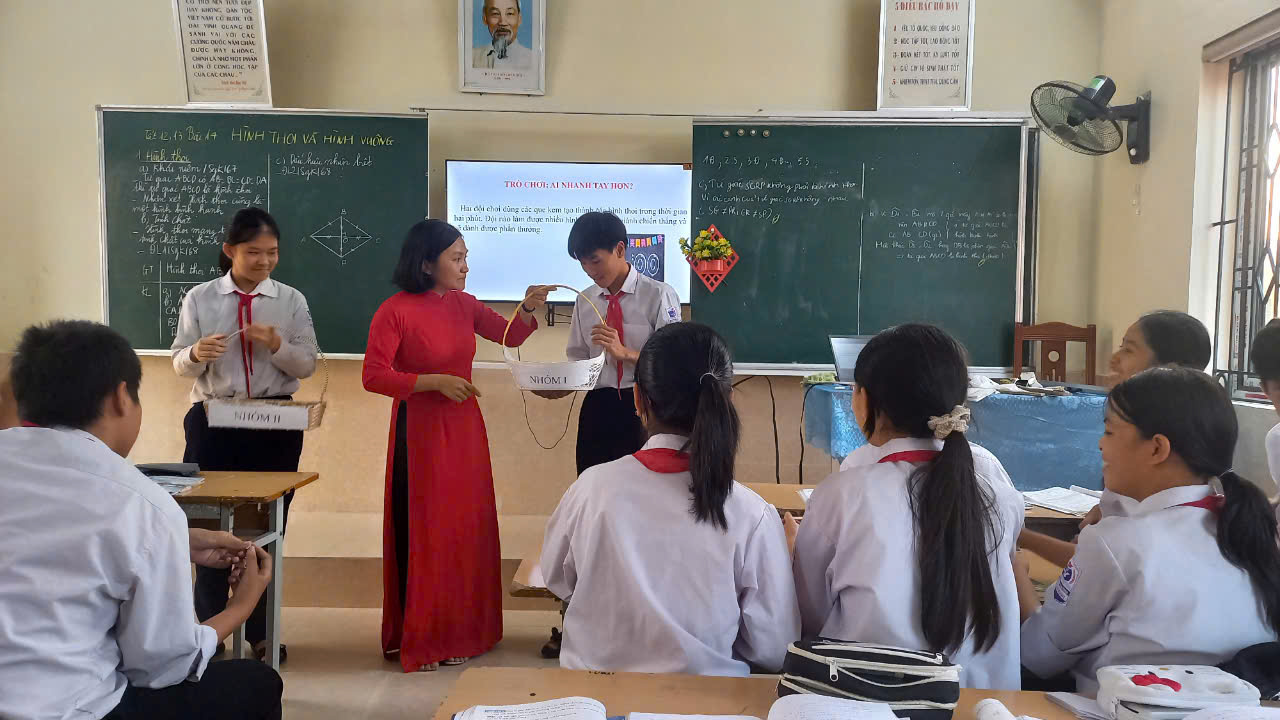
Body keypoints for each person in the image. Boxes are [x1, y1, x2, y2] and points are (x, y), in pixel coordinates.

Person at [0, 320, 281, 720]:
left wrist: (177, 541)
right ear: (121, 397)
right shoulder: (141, 502)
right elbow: (162, 667)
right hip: (65, 710)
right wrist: (242, 605)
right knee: (257, 682)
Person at [541, 322, 799, 676]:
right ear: (727, 400)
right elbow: (773, 649)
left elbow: (557, 579)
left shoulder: (589, 490)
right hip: (709, 699)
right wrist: (784, 561)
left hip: (595, 696)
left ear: (638, 399)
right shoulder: (751, 514)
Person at [1017, 367, 1280, 694]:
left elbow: (1037, 655)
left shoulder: (1118, 541)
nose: (1100, 444)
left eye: (1109, 432)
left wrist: (1017, 576)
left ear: (1156, 449)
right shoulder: (1246, 527)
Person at [363, 219, 551, 673]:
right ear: (427, 264)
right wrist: (433, 383)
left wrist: (528, 307)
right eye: (457, 258)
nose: (466, 267)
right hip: (421, 433)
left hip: (465, 430)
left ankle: (466, 632)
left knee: (466, 528)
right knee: (430, 531)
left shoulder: (464, 304)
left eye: (466, 257)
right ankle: (426, 637)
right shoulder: (395, 310)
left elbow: (510, 335)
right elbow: (374, 375)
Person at [791, 324, 1025, 689]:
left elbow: (808, 619)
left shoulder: (841, 495)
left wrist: (795, 548)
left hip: (872, 703)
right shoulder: (1000, 496)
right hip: (985, 705)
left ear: (866, 401)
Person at [171, 207, 318, 662]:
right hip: (213, 420)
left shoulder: (289, 300)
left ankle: (262, 632)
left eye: (272, 252)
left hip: (275, 424)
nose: (264, 261)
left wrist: (276, 345)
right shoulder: (200, 297)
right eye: (254, 252)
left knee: (267, 529)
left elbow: (307, 365)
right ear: (229, 250)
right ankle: (208, 630)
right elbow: (178, 363)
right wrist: (196, 353)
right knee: (209, 527)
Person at [536, 210, 682, 658]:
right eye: (582, 262)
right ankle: (580, 618)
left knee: (643, 510)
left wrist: (626, 352)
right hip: (599, 407)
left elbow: (674, 363)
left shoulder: (659, 294)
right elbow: (580, 360)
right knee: (592, 506)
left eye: (595, 260)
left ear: (621, 250)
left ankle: (642, 616)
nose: (589, 270)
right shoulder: (586, 301)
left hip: (645, 412)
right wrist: (556, 385)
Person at [1018, 310, 1213, 569]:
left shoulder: (1158, 482)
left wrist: (1017, 537)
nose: (1113, 359)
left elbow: (1103, 563)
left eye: (1128, 350)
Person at [472, 0, 531, 69]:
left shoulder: (532, 59)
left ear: (519, 19)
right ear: (485, 19)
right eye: (495, 13)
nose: (503, 22)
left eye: (510, 13)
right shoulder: (472, 57)